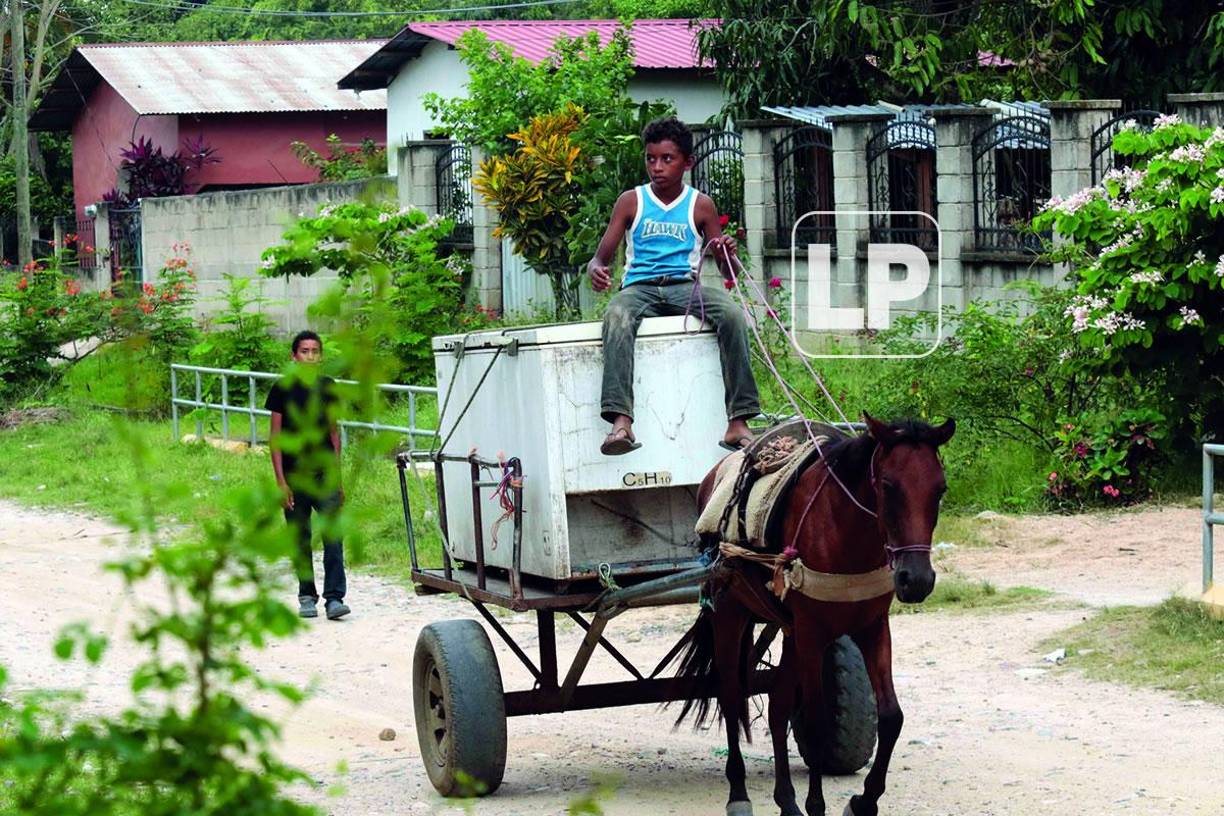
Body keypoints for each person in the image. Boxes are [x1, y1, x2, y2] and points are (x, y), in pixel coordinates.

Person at [588, 116, 761, 456]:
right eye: (651, 158)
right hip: (639, 287)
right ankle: (621, 422)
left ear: (687, 162)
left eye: (667, 159)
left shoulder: (700, 205)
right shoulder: (631, 201)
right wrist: (597, 271)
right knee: (617, 315)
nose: (657, 167)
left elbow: (727, 272)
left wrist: (727, 251)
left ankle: (738, 421)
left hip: (685, 287)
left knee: (731, 314)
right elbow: (599, 258)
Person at [266, 330, 350, 620]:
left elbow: (334, 433)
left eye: (315, 351)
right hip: (295, 476)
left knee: (333, 537)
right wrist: (281, 482)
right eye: (304, 351)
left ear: (320, 356)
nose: (310, 356)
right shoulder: (282, 389)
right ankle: (306, 595)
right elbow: (275, 439)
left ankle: (334, 598)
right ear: (294, 356)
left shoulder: (328, 387)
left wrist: (337, 478)